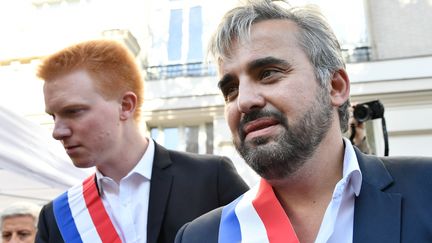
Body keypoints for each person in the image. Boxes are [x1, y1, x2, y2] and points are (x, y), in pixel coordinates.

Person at [175, 1, 432, 242]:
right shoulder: (201, 236)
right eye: (230, 89)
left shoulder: (425, 188)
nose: (243, 101)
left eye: (268, 74)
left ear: (334, 86)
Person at [35, 39, 249, 243]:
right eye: (53, 116)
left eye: (73, 111)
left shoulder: (211, 179)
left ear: (126, 105)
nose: (57, 131)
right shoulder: (56, 217)